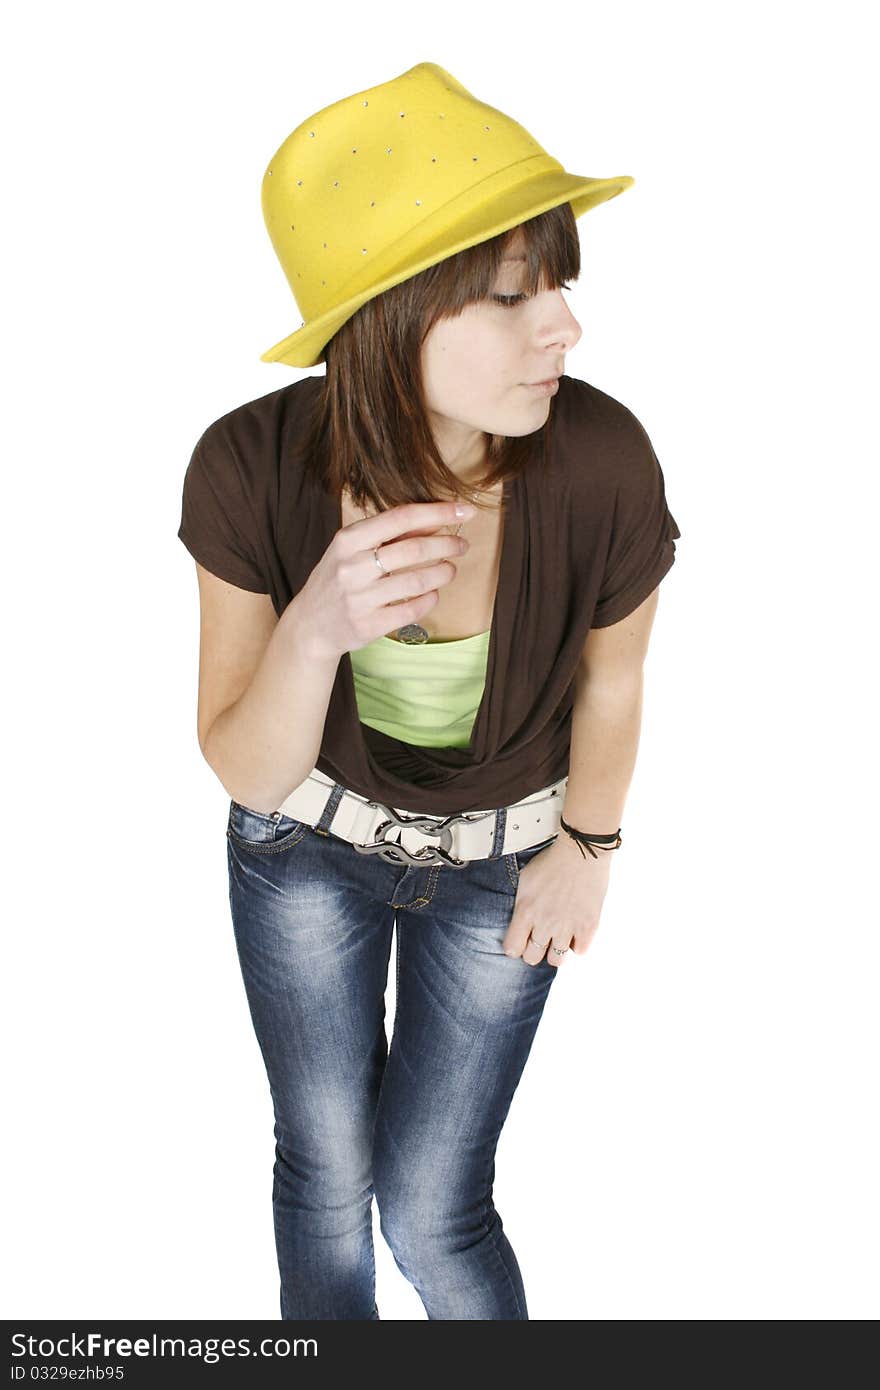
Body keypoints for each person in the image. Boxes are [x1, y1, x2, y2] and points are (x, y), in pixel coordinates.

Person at [177, 62, 681, 1321]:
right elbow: (247, 768)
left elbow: (614, 678)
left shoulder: (603, 458)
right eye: (512, 295)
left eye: (557, 283)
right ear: (388, 316)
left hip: (508, 868)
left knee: (434, 1204)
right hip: (301, 852)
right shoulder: (246, 465)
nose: (562, 324)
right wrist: (315, 630)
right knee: (323, 1171)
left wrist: (592, 844)